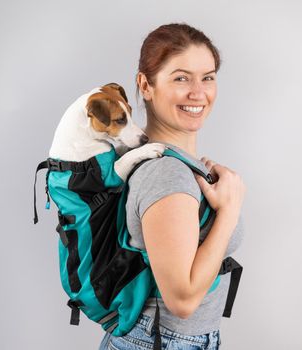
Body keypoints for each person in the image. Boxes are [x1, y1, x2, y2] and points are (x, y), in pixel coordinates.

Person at [99, 23, 246, 350]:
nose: (198, 92)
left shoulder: (171, 164)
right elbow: (181, 299)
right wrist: (229, 211)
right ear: (145, 85)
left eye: (207, 77)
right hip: (162, 341)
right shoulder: (166, 173)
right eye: (181, 78)